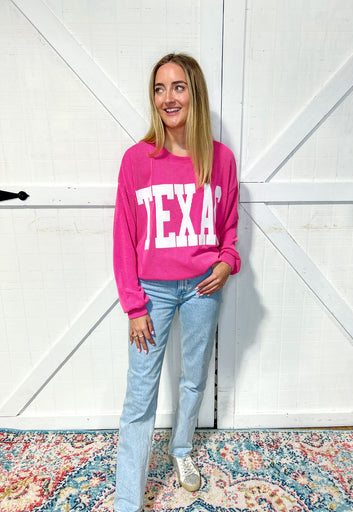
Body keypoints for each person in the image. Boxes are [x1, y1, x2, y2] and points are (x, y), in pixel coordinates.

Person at [113, 53, 241, 512]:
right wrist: (134, 307)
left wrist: (227, 263)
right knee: (140, 396)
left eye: (179, 87)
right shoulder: (137, 161)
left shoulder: (220, 160)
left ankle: (182, 450)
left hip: (204, 287)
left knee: (192, 378)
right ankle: (128, 500)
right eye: (160, 88)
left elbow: (228, 229)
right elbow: (123, 239)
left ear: (195, 94)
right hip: (152, 293)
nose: (169, 97)